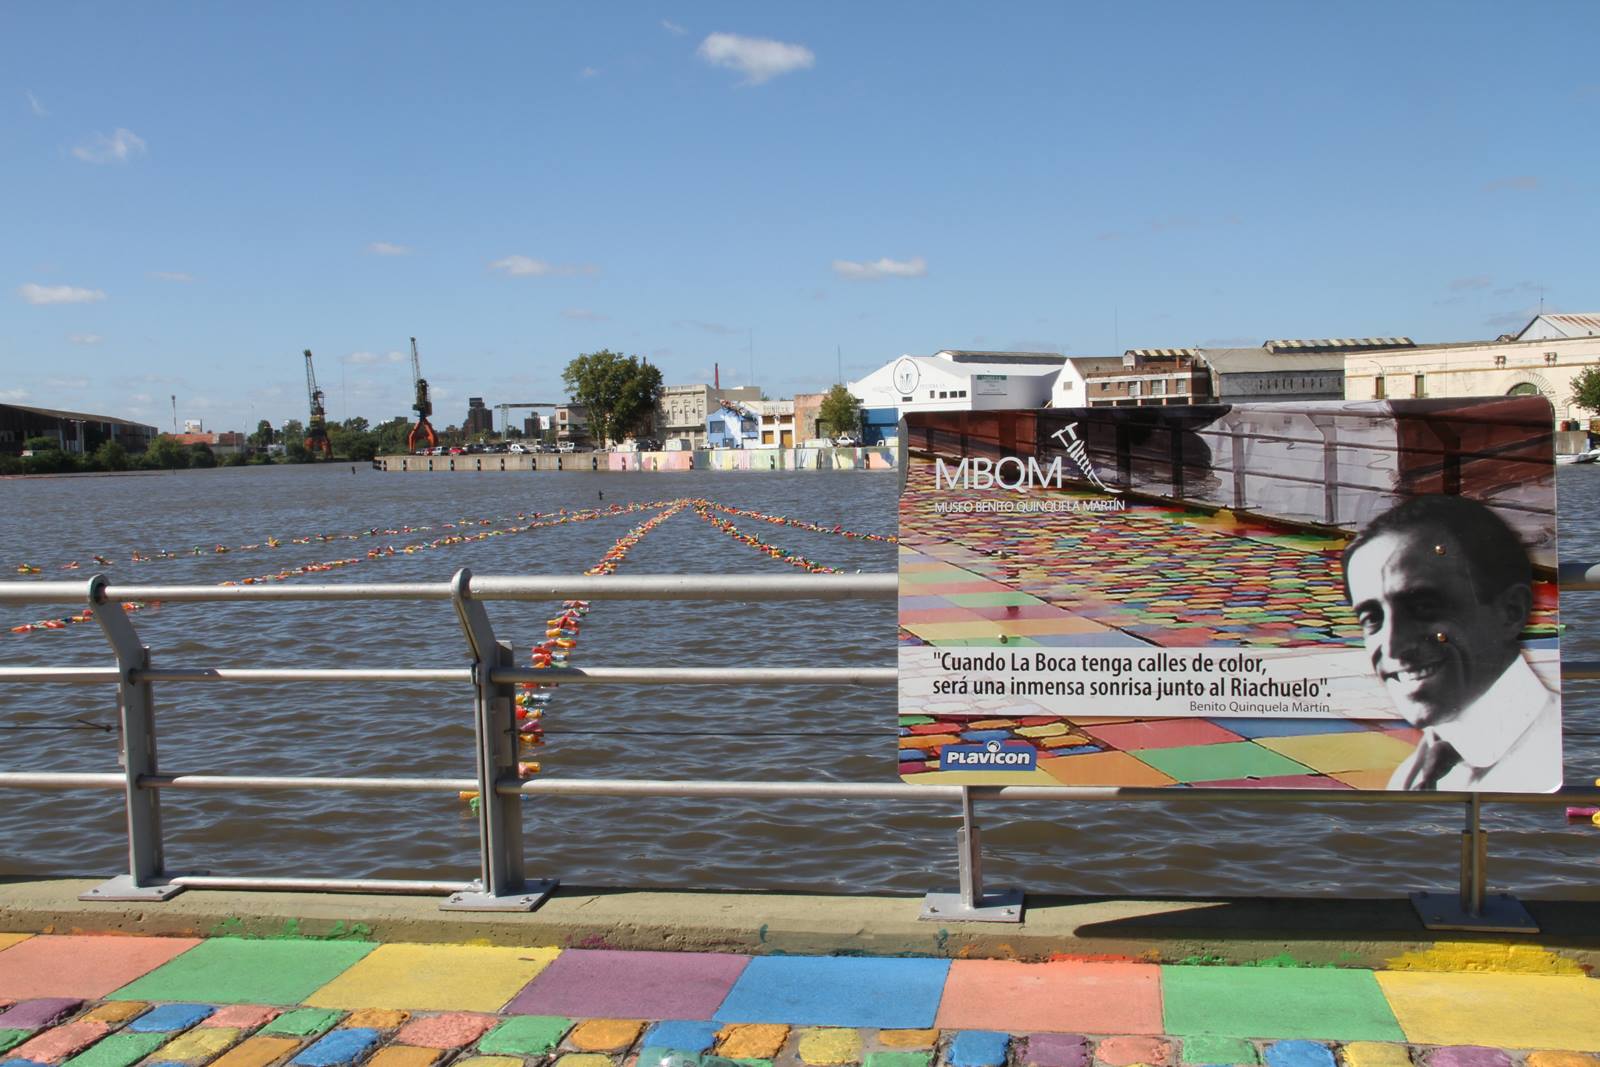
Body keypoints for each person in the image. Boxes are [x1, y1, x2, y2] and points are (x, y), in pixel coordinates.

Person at [1341, 494, 1561, 791]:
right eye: (1372, 619)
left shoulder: (1560, 764)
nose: (1392, 647)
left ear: (1511, 611)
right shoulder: (1409, 777)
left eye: (1423, 607)